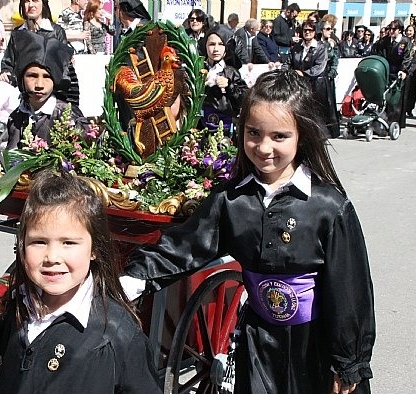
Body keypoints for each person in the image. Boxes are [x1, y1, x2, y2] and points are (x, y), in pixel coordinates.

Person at [122, 69, 376, 394]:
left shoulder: (328, 207)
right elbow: (185, 247)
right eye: (254, 133)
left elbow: (350, 291)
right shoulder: (232, 201)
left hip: (313, 345)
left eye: (279, 136)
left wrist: (349, 362)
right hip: (258, 342)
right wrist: (133, 278)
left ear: (302, 135)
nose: (264, 147)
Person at [0, 170, 162, 394]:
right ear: (22, 246)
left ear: (94, 249)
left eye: (69, 243)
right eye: (39, 242)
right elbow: (5, 333)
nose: (52, 257)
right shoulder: (23, 302)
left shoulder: (117, 334)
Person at [5, 29, 87, 149]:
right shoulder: (17, 117)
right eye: (32, 76)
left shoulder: (69, 118)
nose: (39, 84)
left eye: (47, 77)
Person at [0, 0, 80, 106]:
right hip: (22, 95)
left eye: (35, 1)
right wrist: (5, 73)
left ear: (43, 4)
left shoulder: (56, 32)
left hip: (50, 97)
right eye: (27, 1)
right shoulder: (17, 34)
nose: (31, 5)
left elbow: (64, 69)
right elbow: (8, 62)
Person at [201, 24, 247, 135]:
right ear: (205, 46)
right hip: (200, 125)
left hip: (225, 127)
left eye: (221, 44)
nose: (216, 49)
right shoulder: (199, 69)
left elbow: (244, 97)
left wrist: (229, 86)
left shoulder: (231, 72)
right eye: (212, 44)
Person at [372, 19, 414, 128]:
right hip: (387, 71)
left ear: (399, 30)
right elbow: (379, 54)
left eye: (394, 29)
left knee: (397, 99)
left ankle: (395, 122)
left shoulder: (405, 42)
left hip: (399, 72)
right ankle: (383, 120)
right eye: (390, 29)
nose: (391, 31)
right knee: (385, 96)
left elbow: (408, 57)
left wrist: (404, 70)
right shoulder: (385, 41)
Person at [320, 18, 341, 138]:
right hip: (318, 76)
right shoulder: (317, 43)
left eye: (331, 29)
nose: (330, 31)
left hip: (328, 76)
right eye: (327, 29)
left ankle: (330, 130)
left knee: (329, 103)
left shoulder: (332, 44)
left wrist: (332, 73)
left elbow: (335, 60)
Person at [403, 24, 416, 118]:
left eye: (411, 31)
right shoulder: (403, 41)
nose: (409, 32)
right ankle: (403, 108)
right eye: (408, 30)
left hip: (414, 69)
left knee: (412, 91)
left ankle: (409, 109)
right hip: (405, 69)